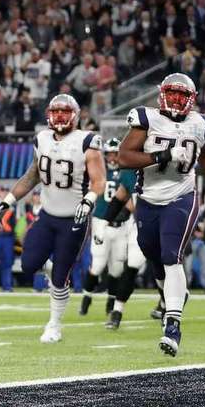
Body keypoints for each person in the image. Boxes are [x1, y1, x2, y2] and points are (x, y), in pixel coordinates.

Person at [0, 94, 105, 343]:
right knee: (29, 264)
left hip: (74, 218)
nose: (60, 117)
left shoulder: (88, 141)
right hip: (47, 215)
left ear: (75, 116)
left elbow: (99, 181)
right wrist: (8, 201)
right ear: (48, 115)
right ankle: (55, 274)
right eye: (56, 112)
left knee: (61, 276)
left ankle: (54, 324)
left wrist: (88, 202)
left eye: (65, 112)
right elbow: (32, 175)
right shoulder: (41, 138)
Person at [118, 73, 205, 356]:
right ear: (162, 94)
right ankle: (172, 296)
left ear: (191, 100)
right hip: (148, 200)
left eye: (182, 96)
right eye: (171, 94)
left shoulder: (201, 123)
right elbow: (124, 156)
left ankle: (172, 325)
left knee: (172, 255)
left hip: (181, 197)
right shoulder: (147, 119)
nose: (175, 100)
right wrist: (162, 156)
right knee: (153, 254)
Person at [79, 138, 139, 328]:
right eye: (110, 154)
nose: (112, 157)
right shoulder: (99, 171)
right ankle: (86, 297)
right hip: (101, 222)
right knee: (97, 265)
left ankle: (111, 303)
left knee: (117, 269)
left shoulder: (127, 170)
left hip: (121, 225)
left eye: (115, 153)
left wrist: (128, 209)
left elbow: (130, 196)